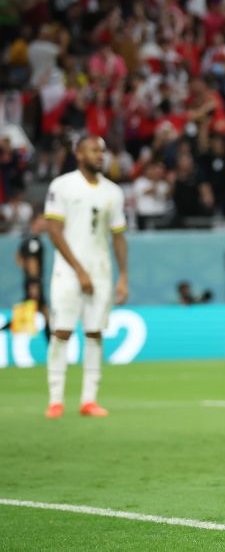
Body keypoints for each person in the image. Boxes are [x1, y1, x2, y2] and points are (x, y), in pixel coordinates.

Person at [43, 136, 129, 419]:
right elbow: (54, 230)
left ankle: (88, 400)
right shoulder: (62, 186)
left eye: (103, 151)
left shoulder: (113, 192)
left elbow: (118, 237)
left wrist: (123, 276)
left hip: (101, 272)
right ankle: (55, 400)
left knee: (94, 334)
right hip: (67, 272)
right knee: (62, 331)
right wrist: (79, 270)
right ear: (79, 154)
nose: (101, 155)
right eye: (94, 150)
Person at [10, 213, 49, 342]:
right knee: (36, 314)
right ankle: (54, 351)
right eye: (43, 220)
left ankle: (54, 350)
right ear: (36, 221)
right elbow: (32, 263)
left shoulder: (27, 239)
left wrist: (25, 270)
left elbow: (18, 258)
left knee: (38, 313)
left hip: (31, 282)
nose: (46, 223)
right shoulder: (34, 241)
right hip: (34, 283)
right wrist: (34, 283)